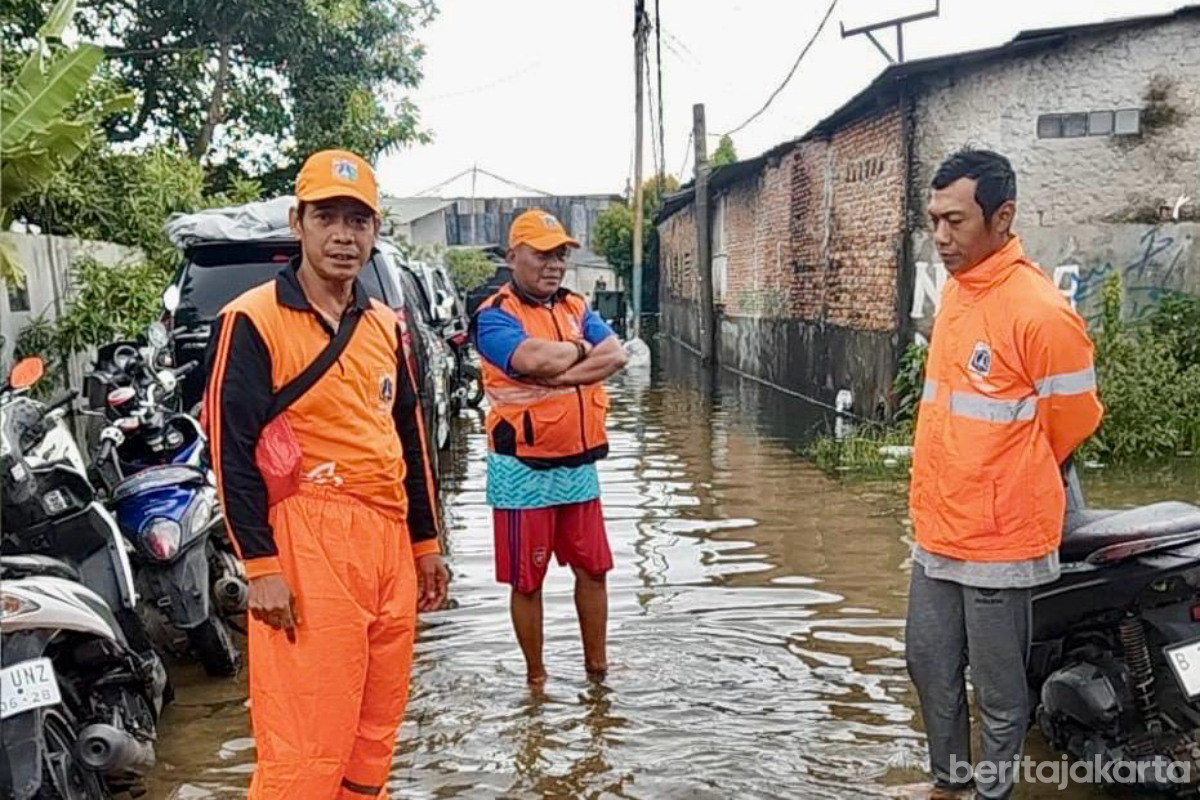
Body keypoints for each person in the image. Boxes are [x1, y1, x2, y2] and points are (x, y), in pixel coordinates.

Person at [205, 149, 449, 799]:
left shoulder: (383, 325)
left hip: (387, 540)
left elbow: (410, 437)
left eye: (359, 220)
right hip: (307, 541)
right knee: (305, 748)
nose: (344, 235)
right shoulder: (252, 319)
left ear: (375, 232)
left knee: (373, 738)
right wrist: (261, 566)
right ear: (299, 222)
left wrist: (426, 545)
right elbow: (230, 453)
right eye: (328, 217)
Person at [905, 149, 1104, 800]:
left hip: (999, 536)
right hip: (936, 525)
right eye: (934, 220)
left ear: (1003, 215)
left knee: (996, 691)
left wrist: (1002, 482)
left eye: (956, 221)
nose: (941, 237)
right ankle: (948, 785)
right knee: (930, 664)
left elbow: (1071, 423)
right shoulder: (958, 297)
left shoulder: (1040, 311)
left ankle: (992, 795)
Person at [472, 208, 628, 686]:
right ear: (513, 255)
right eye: (542, 254)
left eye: (560, 254)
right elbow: (528, 357)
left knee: (594, 570)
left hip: (578, 464)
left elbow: (617, 354)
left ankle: (597, 672)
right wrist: (582, 352)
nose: (554, 264)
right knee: (527, 580)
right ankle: (536, 680)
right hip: (521, 468)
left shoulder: (577, 307)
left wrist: (559, 369)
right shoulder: (494, 316)